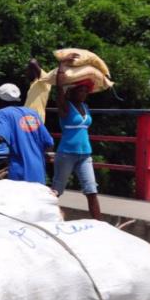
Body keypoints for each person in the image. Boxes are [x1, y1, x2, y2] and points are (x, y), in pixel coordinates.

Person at [0, 83, 54, 184]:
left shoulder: (3, 113)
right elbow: (49, 142)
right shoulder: (32, 113)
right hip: (38, 171)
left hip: (19, 172)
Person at [52, 53, 102, 220]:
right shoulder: (65, 107)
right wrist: (62, 65)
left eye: (85, 90)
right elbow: (58, 88)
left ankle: (99, 225)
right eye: (79, 90)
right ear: (72, 92)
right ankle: (46, 216)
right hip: (67, 153)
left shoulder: (85, 107)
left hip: (85, 154)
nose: (83, 93)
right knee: (57, 190)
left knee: (91, 189)